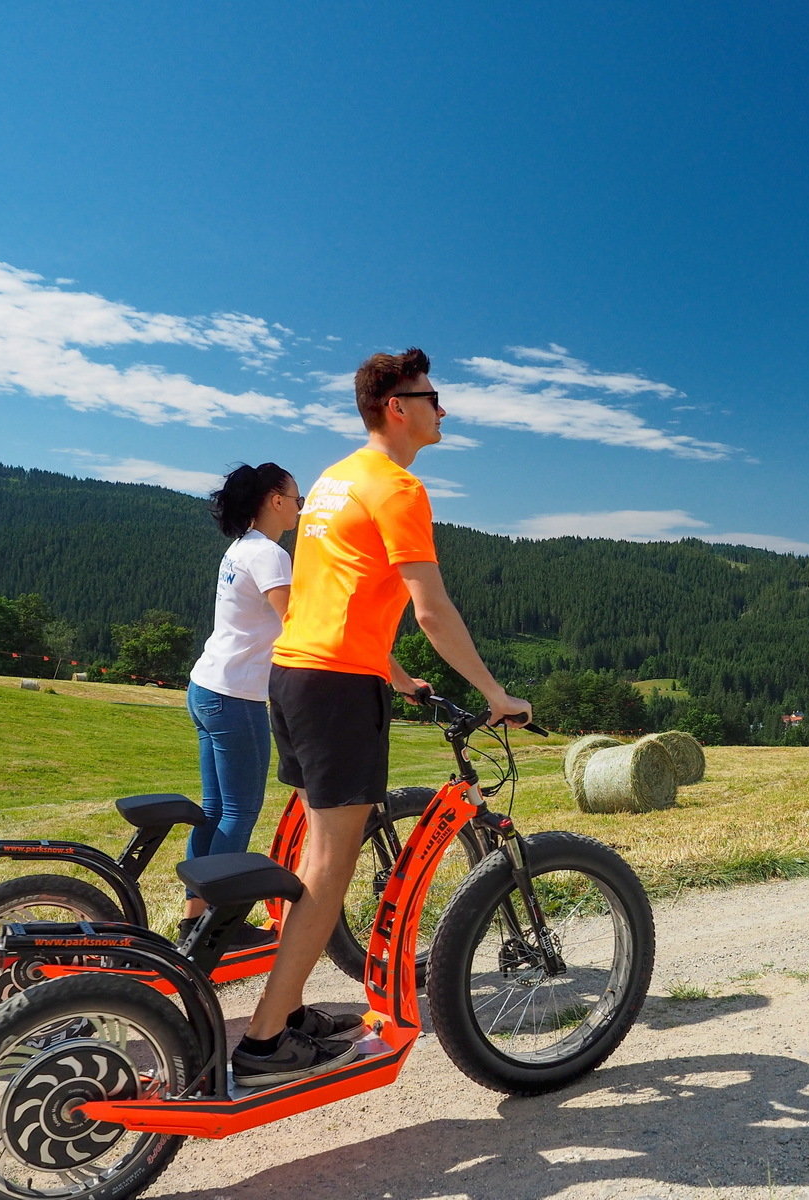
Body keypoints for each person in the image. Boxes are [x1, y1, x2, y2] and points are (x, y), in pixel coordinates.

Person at [230, 347, 532, 1088]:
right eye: (433, 396)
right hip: (334, 689)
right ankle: (266, 1045)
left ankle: (290, 1011)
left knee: (316, 858)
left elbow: (336, 591)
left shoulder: (335, 480)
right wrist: (495, 694)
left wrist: (392, 673)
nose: (443, 408)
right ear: (398, 406)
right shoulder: (399, 487)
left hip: (298, 673)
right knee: (331, 865)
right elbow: (431, 609)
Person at [181, 462, 303, 947]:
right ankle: (221, 926)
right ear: (275, 499)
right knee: (239, 811)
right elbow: (296, 625)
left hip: (206, 686)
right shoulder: (271, 556)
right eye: (297, 497)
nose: (300, 506)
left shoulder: (240, 549)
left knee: (214, 810)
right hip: (237, 697)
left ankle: (195, 921)